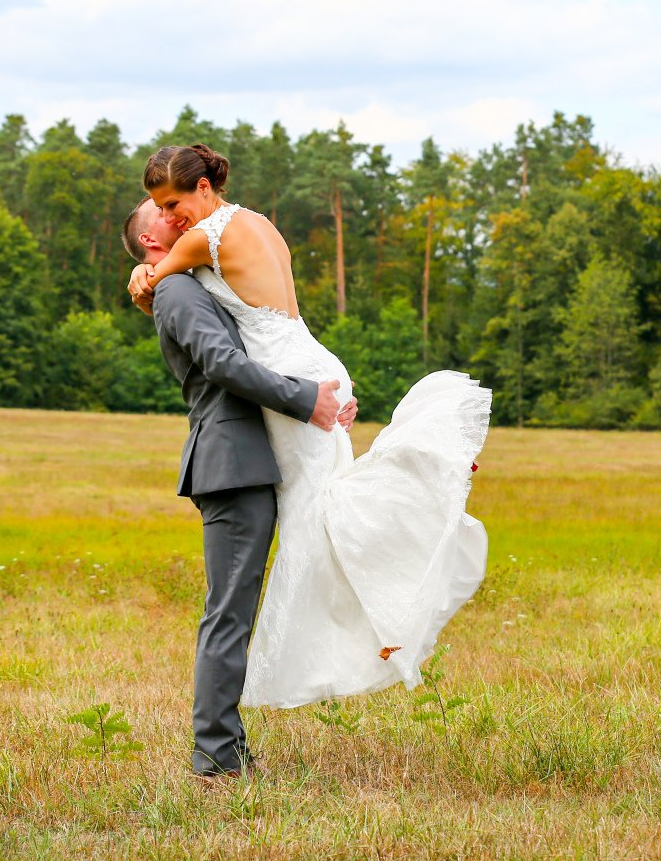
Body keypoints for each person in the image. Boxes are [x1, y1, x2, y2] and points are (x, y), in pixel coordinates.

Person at [128, 143, 491, 711]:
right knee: (322, 509)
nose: (171, 219)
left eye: (173, 204)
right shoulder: (259, 224)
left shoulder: (201, 240)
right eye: (160, 212)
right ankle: (379, 601)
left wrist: (140, 272)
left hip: (292, 380)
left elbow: (158, 286)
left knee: (322, 516)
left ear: (203, 188)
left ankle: (419, 503)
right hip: (312, 361)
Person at [121, 196, 358, 780]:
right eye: (163, 217)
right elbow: (223, 362)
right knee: (229, 611)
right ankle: (215, 754)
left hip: (258, 456)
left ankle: (225, 746)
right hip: (231, 461)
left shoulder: (192, 277)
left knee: (239, 606)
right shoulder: (176, 292)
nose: (177, 219)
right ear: (150, 243)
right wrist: (306, 400)